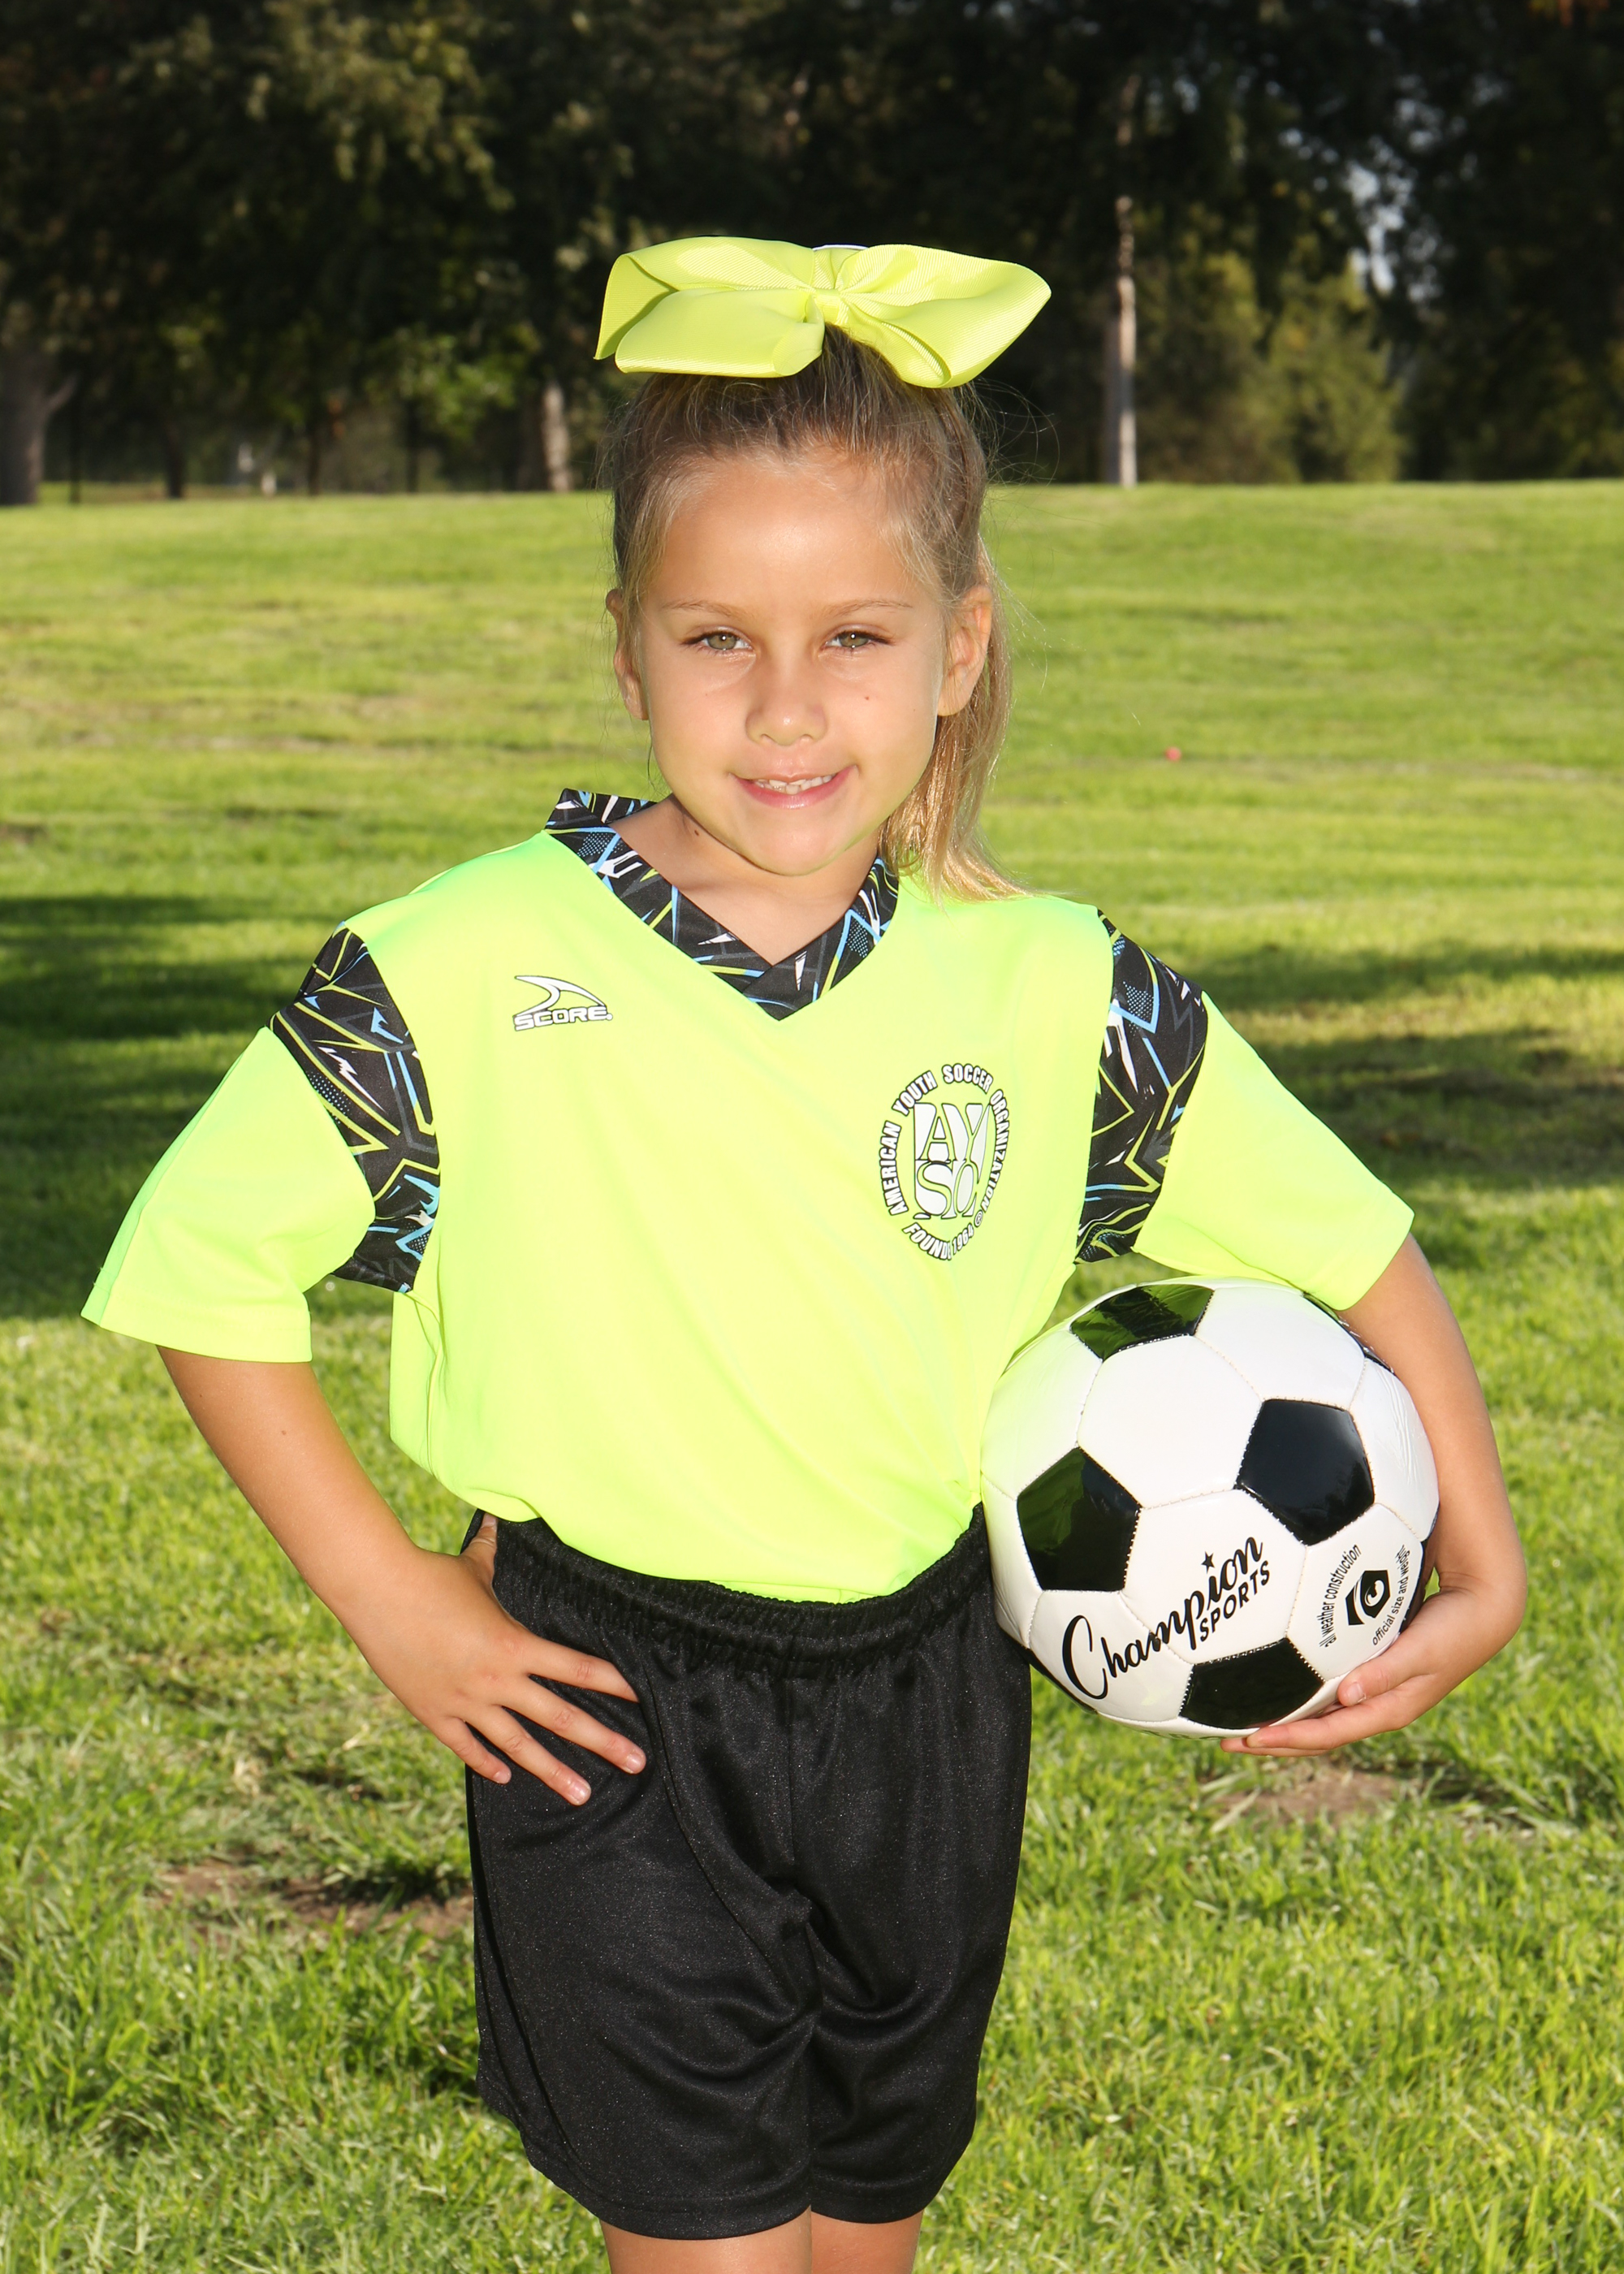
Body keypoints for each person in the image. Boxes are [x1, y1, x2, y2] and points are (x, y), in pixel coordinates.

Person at [84, 238, 1526, 2274]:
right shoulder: (465, 963)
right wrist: (392, 1597)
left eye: (853, 635)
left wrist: (1483, 1546)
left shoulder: (1050, 985)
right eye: (716, 637)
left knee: (862, 2225)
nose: (782, 706)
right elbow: (198, 1264)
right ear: (627, 649)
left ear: (957, 646)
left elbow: (1351, 1238)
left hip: (931, 1691)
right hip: (609, 1697)